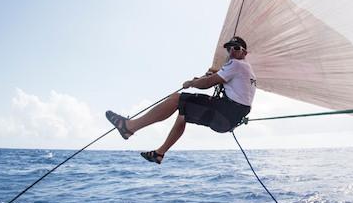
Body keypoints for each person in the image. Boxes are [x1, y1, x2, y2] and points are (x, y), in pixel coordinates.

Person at [105, 36, 256, 164]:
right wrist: (211, 76)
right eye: (229, 48)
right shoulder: (245, 68)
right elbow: (223, 81)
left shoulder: (236, 64)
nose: (231, 51)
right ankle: (159, 153)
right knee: (183, 112)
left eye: (236, 48)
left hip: (225, 113)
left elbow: (207, 84)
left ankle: (129, 127)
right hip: (229, 118)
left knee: (177, 99)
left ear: (245, 52)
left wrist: (191, 83)